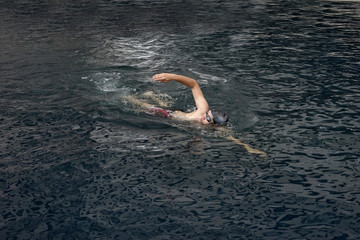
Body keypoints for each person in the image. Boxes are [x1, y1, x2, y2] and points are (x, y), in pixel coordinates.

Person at [151, 73, 229, 125]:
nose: (204, 116)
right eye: (207, 113)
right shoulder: (203, 110)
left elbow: (227, 134)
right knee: (143, 105)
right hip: (168, 113)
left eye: (208, 119)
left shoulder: (205, 128)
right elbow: (193, 84)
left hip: (173, 117)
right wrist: (171, 77)